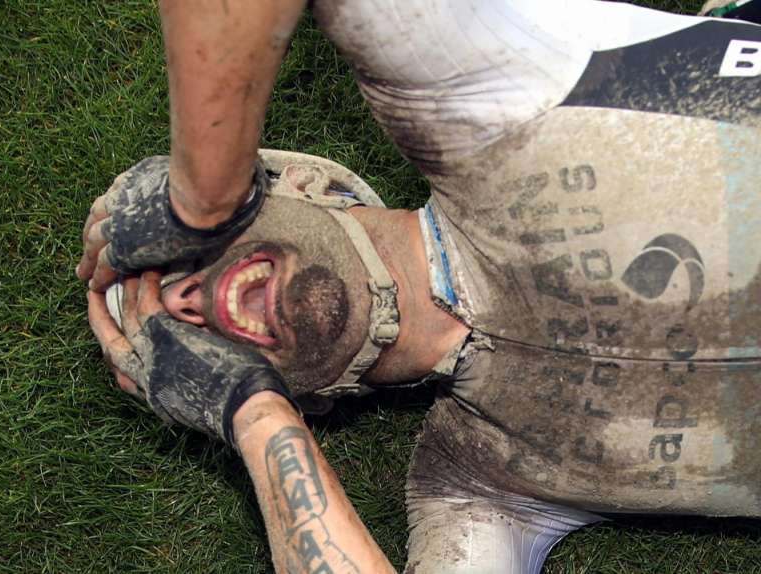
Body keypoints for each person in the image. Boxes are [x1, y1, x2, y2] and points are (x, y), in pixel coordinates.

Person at [83, 1, 761, 572]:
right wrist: (254, 417)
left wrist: (198, 203)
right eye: (175, 346)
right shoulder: (480, 484)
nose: (178, 302)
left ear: (297, 181)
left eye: (176, 263)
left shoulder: (473, 105)